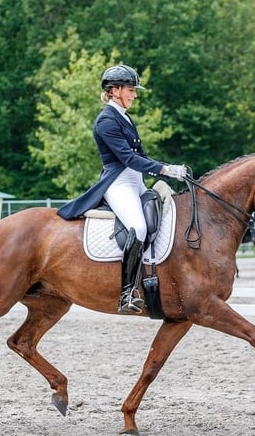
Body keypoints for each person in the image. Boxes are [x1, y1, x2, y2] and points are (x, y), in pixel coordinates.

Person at [57, 64, 187, 314]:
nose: (134, 95)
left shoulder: (125, 117)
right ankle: (127, 293)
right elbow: (128, 158)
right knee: (137, 227)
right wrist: (166, 169)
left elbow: (142, 156)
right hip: (118, 183)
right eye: (130, 90)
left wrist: (169, 173)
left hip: (136, 180)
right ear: (114, 90)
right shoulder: (106, 120)